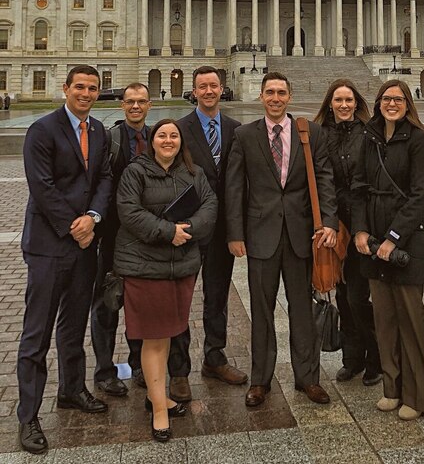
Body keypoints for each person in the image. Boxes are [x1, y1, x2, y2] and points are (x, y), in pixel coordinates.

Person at [226, 72, 337, 407]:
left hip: (302, 234)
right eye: (270, 93)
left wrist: (329, 222)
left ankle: (308, 379)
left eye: (281, 93)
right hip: (261, 234)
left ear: (290, 96)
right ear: (261, 96)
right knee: (261, 311)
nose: (275, 98)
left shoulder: (310, 133)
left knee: (302, 310)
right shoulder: (245, 135)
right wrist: (235, 233)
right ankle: (260, 380)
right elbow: (234, 187)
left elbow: (325, 178)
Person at [17, 65, 112, 455]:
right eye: (80, 87)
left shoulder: (101, 131)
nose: (86, 94)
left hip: (85, 243)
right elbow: (41, 185)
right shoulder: (42, 129)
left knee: (74, 326)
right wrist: (73, 224)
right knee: (36, 333)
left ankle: (72, 389)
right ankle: (28, 415)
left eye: (92, 88)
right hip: (49, 243)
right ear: (66, 89)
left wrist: (92, 219)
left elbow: (105, 178)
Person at [114, 119, 217, 442]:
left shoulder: (193, 172)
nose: (168, 140)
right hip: (145, 266)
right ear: (151, 140)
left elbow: (210, 205)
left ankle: (158, 396)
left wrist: (186, 229)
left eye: (173, 135)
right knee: (153, 337)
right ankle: (159, 408)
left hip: (180, 265)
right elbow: (128, 211)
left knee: (170, 331)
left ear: (180, 141)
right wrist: (168, 232)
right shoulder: (136, 171)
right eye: (162, 135)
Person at [352, 79, 424, 421]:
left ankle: (419, 396)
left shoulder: (419, 141)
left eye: (398, 99)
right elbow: (358, 186)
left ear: (407, 104)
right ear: (378, 102)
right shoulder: (369, 139)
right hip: (373, 242)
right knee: (384, 320)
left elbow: (420, 197)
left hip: (405, 244)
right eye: (386, 99)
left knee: (410, 321)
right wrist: (359, 229)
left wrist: (393, 237)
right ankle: (392, 387)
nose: (391, 104)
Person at [176, 66, 246, 401]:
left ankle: (214, 357)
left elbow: (241, 182)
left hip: (221, 231)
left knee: (216, 298)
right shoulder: (178, 129)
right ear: (194, 91)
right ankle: (178, 369)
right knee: (181, 299)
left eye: (214, 86)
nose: (208, 91)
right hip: (188, 228)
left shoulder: (236, 129)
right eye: (202, 86)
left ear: (222, 89)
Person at [314, 79, 381, 385]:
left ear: (357, 104)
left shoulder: (369, 133)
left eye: (349, 100)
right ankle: (351, 358)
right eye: (338, 100)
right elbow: (320, 179)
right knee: (341, 294)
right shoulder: (319, 134)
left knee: (358, 296)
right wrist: (326, 221)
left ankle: (375, 357)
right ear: (330, 103)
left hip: (362, 225)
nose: (343, 105)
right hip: (333, 225)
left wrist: (362, 226)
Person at [91, 82, 154, 395]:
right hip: (114, 235)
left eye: (141, 102)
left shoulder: (157, 137)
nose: (135, 107)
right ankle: (104, 370)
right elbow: (100, 183)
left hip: (147, 235)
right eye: (130, 102)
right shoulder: (110, 139)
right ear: (122, 104)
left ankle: (140, 364)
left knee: (140, 303)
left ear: (149, 105)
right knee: (106, 300)